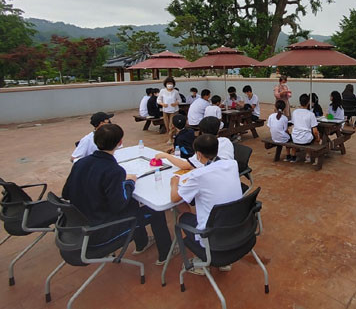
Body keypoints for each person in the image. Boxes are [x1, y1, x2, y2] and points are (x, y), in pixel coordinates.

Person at [63, 124, 172, 265]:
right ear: (120, 142)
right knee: (155, 211)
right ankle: (166, 252)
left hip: (80, 222)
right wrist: (129, 183)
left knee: (133, 203)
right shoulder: (114, 170)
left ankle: (142, 243)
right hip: (100, 230)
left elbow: (66, 193)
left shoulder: (81, 163)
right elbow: (119, 205)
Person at [169, 134, 242, 274]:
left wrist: (174, 183)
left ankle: (202, 263)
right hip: (236, 228)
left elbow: (174, 198)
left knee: (182, 217)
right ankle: (224, 262)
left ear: (198, 154)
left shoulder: (199, 175)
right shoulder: (232, 164)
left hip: (212, 235)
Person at [157, 116, 234, 169]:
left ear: (202, 131)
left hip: (214, 178)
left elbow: (184, 165)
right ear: (218, 130)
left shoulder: (204, 145)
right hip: (230, 174)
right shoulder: (226, 141)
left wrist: (166, 156)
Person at [290, 93, 320, 164]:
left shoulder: (295, 112)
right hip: (306, 139)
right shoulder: (311, 114)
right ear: (308, 103)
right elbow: (315, 131)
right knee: (315, 138)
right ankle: (308, 156)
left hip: (295, 137)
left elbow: (293, 124)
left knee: (303, 134)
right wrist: (318, 138)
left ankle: (293, 156)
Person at [157, 77, 182, 145]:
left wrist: (175, 103)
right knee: (167, 125)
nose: (169, 85)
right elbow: (158, 100)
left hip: (174, 111)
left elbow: (179, 100)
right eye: (168, 83)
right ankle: (170, 135)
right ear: (165, 84)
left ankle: (170, 139)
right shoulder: (162, 91)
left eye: (171, 83)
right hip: (165, 110)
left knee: (172, 125)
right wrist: (162, 104)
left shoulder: (175, 92)